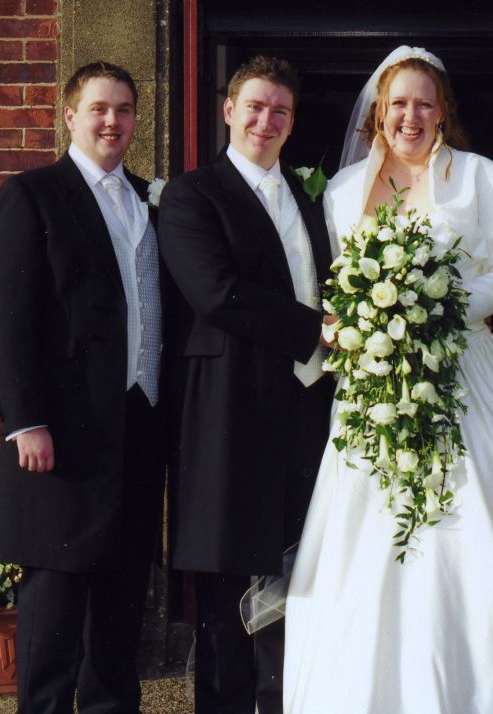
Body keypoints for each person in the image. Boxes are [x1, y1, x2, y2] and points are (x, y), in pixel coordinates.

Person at [283, 46, 493, 713]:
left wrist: (437, 304)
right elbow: (338, 285)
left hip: (466, 374)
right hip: (376, 383)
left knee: (471, 525)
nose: (410, 116)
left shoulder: (486, 177)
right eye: (398, 103)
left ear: (444, 110)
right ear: (377, 111)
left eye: (424, 102)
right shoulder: (341, 193)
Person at [157, 55, 333, 713]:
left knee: (304, 568)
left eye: (280, 110)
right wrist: (320, 330)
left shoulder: (312, 195)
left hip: (311, 408)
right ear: (228, 110)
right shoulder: (191, 196)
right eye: (255, 106)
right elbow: (218, 293)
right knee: (232, 584)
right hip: (230, 411)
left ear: (292, 122)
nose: (266, 120)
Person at [0, 61, 164, 713]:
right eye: (98, 108)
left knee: (121, 616)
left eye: (123, 109)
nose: (112, 121)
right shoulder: (33, 194)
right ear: (71, 116)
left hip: (137, 427)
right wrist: (24, 420)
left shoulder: (151, 198)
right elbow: (10, 316)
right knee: (54, 617)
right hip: (61, 435)